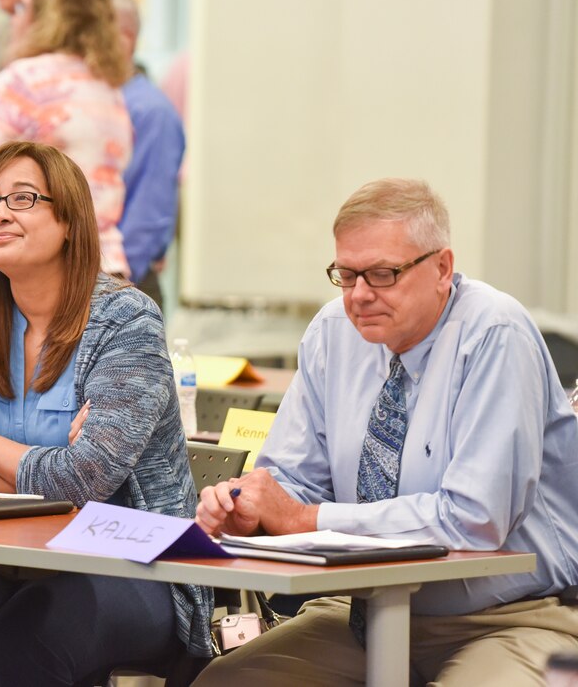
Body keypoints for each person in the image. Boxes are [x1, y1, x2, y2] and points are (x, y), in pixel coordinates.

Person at [193, 178, 578, 685]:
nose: (359, 295)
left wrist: (302, 517)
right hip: (363, 612)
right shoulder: (333, 333)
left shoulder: (494, 334)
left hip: (509, 618)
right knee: (224, 682)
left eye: (382, 274)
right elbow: (292, 484)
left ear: (442, 268)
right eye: (346, 274)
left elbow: (474, 521)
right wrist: (252, 512)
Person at [0, 141, 213, 686]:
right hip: (2, 555)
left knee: (22, 646)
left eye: (23, 198)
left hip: (136, 566)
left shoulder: (126, 320)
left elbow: (85, 478)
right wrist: (46, 473)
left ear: (70, 221)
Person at [0, 0, 132, 293]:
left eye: (22, 8)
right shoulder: (109, 90)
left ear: (45, 17)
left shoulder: (24, 80)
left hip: (30, 274)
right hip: (99, 262)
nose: (14, 19)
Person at [109, 0, 185, 309]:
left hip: (124, 290)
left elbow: (147, 222)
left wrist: (102, 294)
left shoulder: (151, 111)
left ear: (125, 39)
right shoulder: (91, 102)